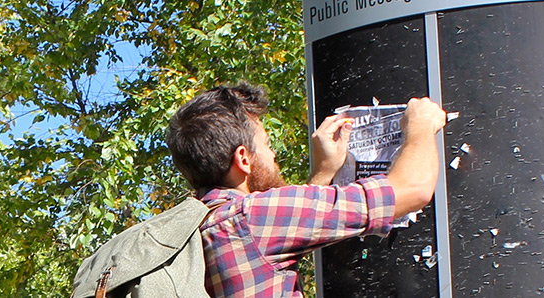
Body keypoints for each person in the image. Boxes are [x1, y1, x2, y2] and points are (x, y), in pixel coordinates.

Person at [166, 83, 445, 297]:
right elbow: (413, 189)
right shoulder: (251, 218)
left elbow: (274, 239)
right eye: (266, 145)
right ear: (243, 158)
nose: (273, 155)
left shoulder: (194, 229)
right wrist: (420, 125)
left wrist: (324, 172)